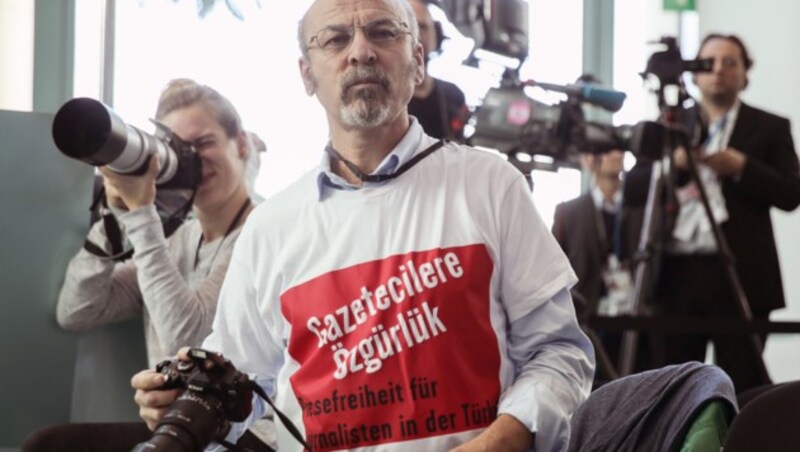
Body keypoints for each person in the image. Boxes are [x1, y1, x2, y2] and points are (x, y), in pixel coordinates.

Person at [132, 0, 594, 451]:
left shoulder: (491, 186)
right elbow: (239, 387)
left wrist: (504, 440)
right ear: (307, 75)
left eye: (383, 32)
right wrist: (185, 406)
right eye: (334, 39)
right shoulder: (271, 226)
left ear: (417, 61)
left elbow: (559, 354)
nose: (360, 51)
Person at [23, 79, 273, 451]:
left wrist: (141, 213)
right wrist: (116, 212)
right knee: (47, 445)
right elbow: (76, 310)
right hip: (174, 429)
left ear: (239, 144)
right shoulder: (174, 242)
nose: (193, 160)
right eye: (179, 151)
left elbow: (186, 338)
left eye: (204, 143)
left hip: (243, 434)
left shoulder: (263, 230)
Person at [648, 33, 800, 393]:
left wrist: (743, 166)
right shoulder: (669, 124)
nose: (718, 71)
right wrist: (675, 167)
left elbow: (792, 193)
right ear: (693, 73)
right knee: (674, 389)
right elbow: (639, 189)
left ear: (745, 75)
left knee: (744, 387)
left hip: (742, 274)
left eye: (730, 63)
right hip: (676, 274)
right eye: (708, 63)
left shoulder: (769, 126)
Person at [552, 151, 648, 382]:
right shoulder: (568, 212)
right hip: (588, 319)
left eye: (619, 149)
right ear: (588, 159)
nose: (616, 155)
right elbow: (556, 268)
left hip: (636, 319)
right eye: (607, 150)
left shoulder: (642, 208)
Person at [406, 0, 469, 141]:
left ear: (437, 35)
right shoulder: (383, 96)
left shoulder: (454, 95)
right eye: (408, 27)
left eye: (421, 27)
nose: (416, 36)